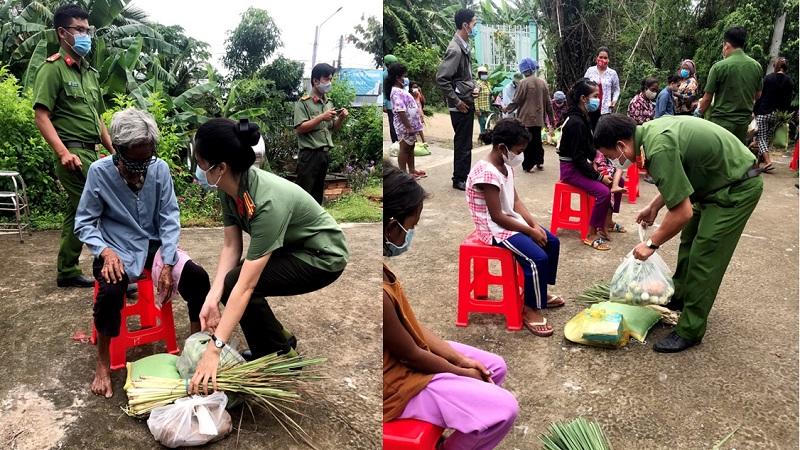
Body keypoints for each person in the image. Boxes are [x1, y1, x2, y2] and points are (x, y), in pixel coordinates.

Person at [188, 118, 349, 394]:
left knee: (238, 283)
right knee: (230, 282)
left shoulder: (267, 201)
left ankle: (278, 356)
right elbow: (231, 246)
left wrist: (214, 350)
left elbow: (246, 286)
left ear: (220, 167)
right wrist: (212, 298)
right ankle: (278, 342)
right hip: (293, 246)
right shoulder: (230, 188)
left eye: (201, 163)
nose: (199, 170)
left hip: (322, 257)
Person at [594, 114, 764, 352]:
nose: (614, 162)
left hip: (736, 188)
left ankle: (690, 329)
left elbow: (682, 213)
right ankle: (680, 296)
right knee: (688, 240)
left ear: (621, 145)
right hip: (712, 184)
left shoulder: (657, 147)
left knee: (705, 255)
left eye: (611, 156)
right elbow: (677, 179)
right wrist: (654, 206)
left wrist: (651, 244)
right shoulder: (648, 136)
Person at [74, 108, 211, 398]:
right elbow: (84, 222)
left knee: (198, 278)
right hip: (115, 248)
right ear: (118, 150)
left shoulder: (158, 169)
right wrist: (104, 251)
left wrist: (168, 261)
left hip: (154, 247)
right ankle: (103, 363)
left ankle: (194, 350)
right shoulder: (99, 172)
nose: (140, 169)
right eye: (134, 161)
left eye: (146, 160)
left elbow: (169, 217)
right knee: (111, 291)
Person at [383, 164, 519, 449]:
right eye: (410, 227)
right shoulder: (378, 293)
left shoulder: (381, 268)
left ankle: (449, 429)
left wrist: (460, 360)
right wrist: (461, 371)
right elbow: (411, 354)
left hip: (407, 357)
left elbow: (412, 328)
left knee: (494, 367)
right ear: (392, 226)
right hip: (396, 384)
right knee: (503, 410)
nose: (410, 234)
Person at [33, 4, 118, 290]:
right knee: (100, 208)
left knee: (78, 211)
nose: (85, 35)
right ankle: (110, 269)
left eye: (87, 30)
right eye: (78, 30)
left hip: (92, 153)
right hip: (72, 154)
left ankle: (67, 270)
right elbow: (41, 115)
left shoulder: (90, 73)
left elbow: (98, 119)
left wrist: (114, 151)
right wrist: (63, 152)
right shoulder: (52, 69)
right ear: (62, 33)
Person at [467, 119, 563, 336]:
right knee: (537, 258)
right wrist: (529, 231)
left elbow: (515, 201)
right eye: (519, 151)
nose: (521, 155)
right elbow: (497, 216)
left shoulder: (505, 166)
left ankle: (539, 292)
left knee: (551, 242)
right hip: (494, 230)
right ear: (502, 148)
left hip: (509, 221)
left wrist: (533, 224)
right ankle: (530, 309)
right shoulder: (487, 173)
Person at [557, 78, 618, 250]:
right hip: (570, 170)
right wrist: (598, 176)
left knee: (617, 179)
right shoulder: (575, 122)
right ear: (584, 98)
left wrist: (600, 160)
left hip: (580, 165)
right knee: (603, 192)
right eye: (595, 96)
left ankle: (606, 223)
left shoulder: (583, 117)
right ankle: (590, 234)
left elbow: (588, 148)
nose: (598, 99)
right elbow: (577, 157)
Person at [294, 63, 349, 204]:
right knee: (304, 193)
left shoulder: (328, 103)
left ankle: (316, 217)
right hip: (309, 155)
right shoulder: (303, 103)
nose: (329, 82)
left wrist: (341, 118)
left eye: (330, 79)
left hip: (324, 154)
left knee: (318, 193)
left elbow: (333, 128)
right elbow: (300, 128)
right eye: (326, 79)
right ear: (315, 81)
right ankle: (301, 217)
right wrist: (321, 117)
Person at [696, 26, 763, 144]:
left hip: (721, 124)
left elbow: (707, 99)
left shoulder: (718, 67)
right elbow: (758, 96)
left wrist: (697, 114)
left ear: (726, 45)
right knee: (736, 153)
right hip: (743, 124)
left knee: (719, 154)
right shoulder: (756, 66)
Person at [436, 8, 478, 191]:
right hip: (461, 106)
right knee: (462, 143)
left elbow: (462, 77)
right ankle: (459, 178)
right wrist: (457, 101)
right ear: (465, 25)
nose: (475, 27)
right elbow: (442, 78)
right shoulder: (455, 49)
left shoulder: (463, 46)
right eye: (474, 23)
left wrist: (472, 88)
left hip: (466, 101)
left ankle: (463, 176)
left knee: (465, 143)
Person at [503, 58, 554, 172]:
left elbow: (517, 101)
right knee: (537, 141)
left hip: (525, 118)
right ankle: (539, 161)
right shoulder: (543, 83)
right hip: (538, 118)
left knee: (527, 142)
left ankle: (528, 165)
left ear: (523, 70)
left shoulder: (523, 83)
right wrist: (551, 120)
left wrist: (507, 109)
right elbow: (548, 103)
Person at [753, 57, 794, 169]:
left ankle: (767, 161)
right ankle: (758, 163)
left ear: (776, 66)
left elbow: (760, 97)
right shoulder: (789, 81)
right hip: (777, 115)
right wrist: (784, 116)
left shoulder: (768, 78)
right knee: (766, 139)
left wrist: (755, 110)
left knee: (761, 138)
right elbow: (788, 102)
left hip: (763, 112)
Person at [387, 64, 426, 179]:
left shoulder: (401, 90)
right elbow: (400, 110)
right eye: (403, 76)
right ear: (397, 78)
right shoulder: (395, 92)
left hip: (411, 125)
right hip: (404, 126)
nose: (405, 79)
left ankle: (412, 170)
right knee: (404, 148)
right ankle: (403, 174)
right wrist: (408, 126)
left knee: (411, 147)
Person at [584, 47, 620, 130]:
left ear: (608, 59)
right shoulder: (590, 71)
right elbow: (584, 85)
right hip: (591, 107)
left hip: (606, 109)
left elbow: (616, 89)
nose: (603, 60)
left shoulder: (612, 73)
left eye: (605, 58)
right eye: (600, 57)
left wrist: (614, 100)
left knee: (604, 131)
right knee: (591, 130)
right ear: (596, 58)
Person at [383, 54, 399, 143]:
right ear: (388, 64)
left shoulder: (395, 74)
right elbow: (383, 90)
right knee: (393, 124)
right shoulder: (385, 75)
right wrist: (384, 104)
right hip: (390, 104)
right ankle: (395, 142)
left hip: (397, 103)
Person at [475, 66, 492, 134]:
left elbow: (490, 94)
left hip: (487, 108)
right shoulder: (478, 84)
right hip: (481, 109)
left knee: (487, 125)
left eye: (485, 73)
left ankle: (487, 138)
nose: (484, 75)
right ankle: (483, 138)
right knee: (483, 125)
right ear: (479, 75)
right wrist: (477, 109)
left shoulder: (488, 84)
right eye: (482, 73)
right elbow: (475, 97)